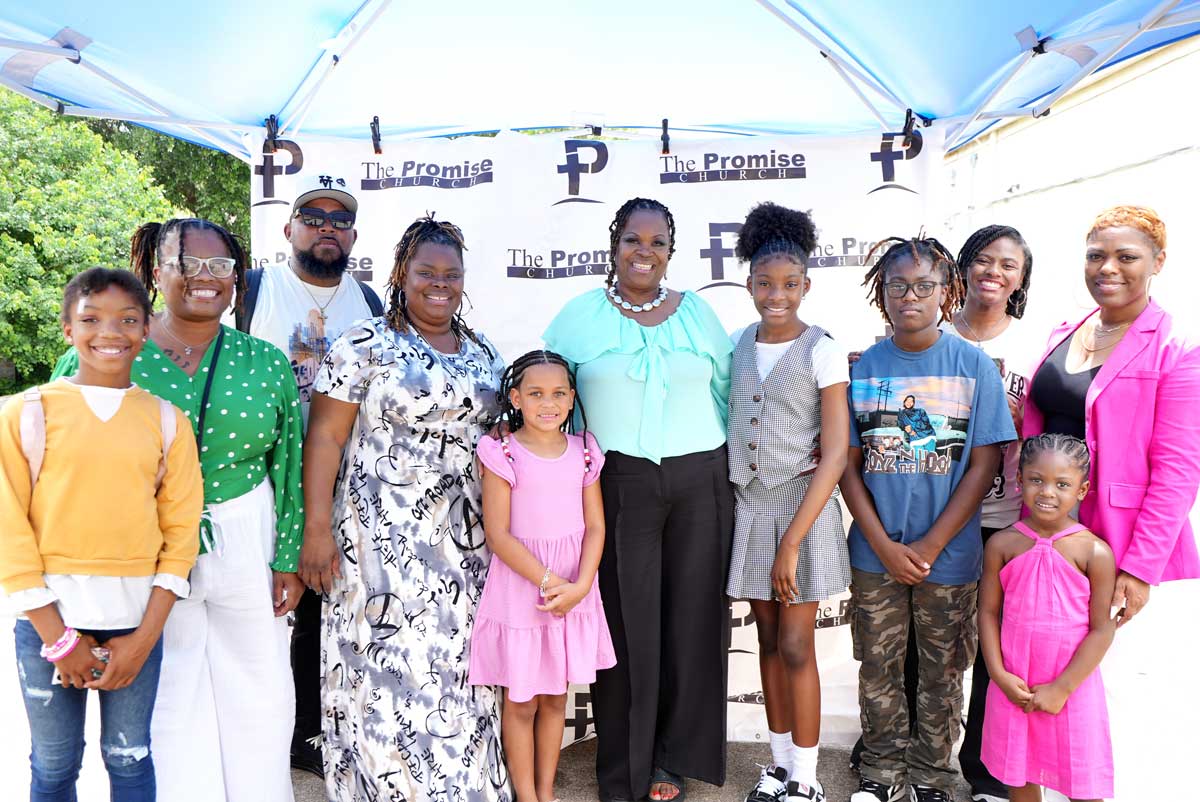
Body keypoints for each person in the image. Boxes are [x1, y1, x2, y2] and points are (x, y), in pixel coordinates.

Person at [51, 218, 306, 802]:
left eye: (221, 266)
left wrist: (288, 556)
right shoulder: (113, 353)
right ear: (155, 271)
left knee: (260, 686)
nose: (205, 277)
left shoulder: (264, 361)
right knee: (167, 687)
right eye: (187, 263)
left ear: (237, 278)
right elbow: (59, 459)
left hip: (245, 530)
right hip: (143, 542)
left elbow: (289, 459)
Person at [300, 216, 509, 802]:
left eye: (451, 274)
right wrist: (316, 528)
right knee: (384, 670)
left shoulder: (483, 351)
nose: (439, 284)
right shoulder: (362, 344)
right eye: (426, 272)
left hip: (466, 543)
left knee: (456, 671)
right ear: (401, 275)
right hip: (377, 540)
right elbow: (325, 439)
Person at [543, 197, 734, 802]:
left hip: (701, 479)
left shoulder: (698, 313)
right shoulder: (579, 316)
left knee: (692, 623)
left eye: (657, 242)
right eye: (633, 239)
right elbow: (550, 397)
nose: (644, 251)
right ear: (615, 244)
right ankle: (626, 769)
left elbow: (727, 391)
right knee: (626, 629)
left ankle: (672, 761)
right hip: (617, 483)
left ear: (671, 252)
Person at [2, 268, 203, 801]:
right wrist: (58, 639)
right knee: (53, 766)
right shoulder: (26, 413)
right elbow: (9, 531)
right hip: (47, 625)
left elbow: (180, 537)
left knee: (130, 759)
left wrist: (142, 642)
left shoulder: (167, 421)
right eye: (90, 319)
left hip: (136, 623)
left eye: (127, 320)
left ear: (146, 330)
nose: (109, 332)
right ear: (68, 329)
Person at [1024, 205, 1200, 801]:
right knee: (1038, 670)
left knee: (1091, 690)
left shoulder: (1176, 346)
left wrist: (1140, 567)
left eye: (1127, 256)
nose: (1108, 268)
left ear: (1158, 262)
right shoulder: (1067, 329)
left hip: (1112, 541)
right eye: (1096, 255)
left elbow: (1178, 469)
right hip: (1045, 530)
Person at [841, 236, 1015, 802]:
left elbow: (984, 463)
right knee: (878, 667)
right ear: (882, 294)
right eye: (898, 286)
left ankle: (933, 774)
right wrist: (883, 545)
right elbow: (847, 467)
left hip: (951, 556)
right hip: (875, 554)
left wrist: (933, 544)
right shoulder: (863, 368)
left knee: (942, 673)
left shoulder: (973, 365)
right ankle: (881, 769)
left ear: (947, 293)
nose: (910, 296)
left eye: (923, 286)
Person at [235, 174, 382, 778]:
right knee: (256, 603)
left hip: (339, 479)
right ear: (289, 228)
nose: (327, 228)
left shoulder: (369, 302)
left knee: (322, 609)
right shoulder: (254, 289)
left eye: (339, 220)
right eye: (313, 218)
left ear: (353, 236)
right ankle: (247, 732)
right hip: (260, 476)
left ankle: (308, 734)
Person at [724, 203, 849, 802]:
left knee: (797, 645)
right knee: (768, 642)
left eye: (790, 285)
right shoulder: (736, 345)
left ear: (806, 286)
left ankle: (807, 775)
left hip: (804, 510)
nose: (777, 295)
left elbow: (835, 453)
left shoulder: (822, 349)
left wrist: (793, 542)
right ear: (749, 284)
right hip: (752, 509)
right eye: (765, 284)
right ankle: (777, 767)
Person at [469, 350, 615, 802]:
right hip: (524, 587)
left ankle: (546, 793)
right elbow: (498, 534)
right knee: (521, 700)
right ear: (515, 398)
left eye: (557, 394)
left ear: (571, 398)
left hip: (574, 587)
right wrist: (552, 583)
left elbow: (596, 526)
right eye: (535, 394)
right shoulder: (502, 452)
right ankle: (527, 796)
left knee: (555, 698)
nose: (547, 403)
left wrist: (581, 585)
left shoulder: (584, 451)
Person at [940, 224, 1038, 802]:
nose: (993, 272)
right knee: (925, 643)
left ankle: (986, 768)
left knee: (995, 646)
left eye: (1008, 265)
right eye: (983, 259)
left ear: (1021, 280)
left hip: (1005, 517)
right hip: (936, 515)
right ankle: (911, 754)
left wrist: (1019, 417)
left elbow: (1049, 434)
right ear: (963, 266)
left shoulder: (1036, 348)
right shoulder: (929, 332)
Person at [979, 434, 1116, 802]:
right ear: (1019, 480)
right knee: (1018, 772)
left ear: (1082, 489)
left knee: (1082, 780)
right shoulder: (1002, 544)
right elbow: (987, 613)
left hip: (1071, 685)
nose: (1047, 492)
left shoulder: (1095, 552)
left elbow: (1102, 630)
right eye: (1036, 480)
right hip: (1015, 684)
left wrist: (1062, 688)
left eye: (1062, 484)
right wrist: (999, 675)